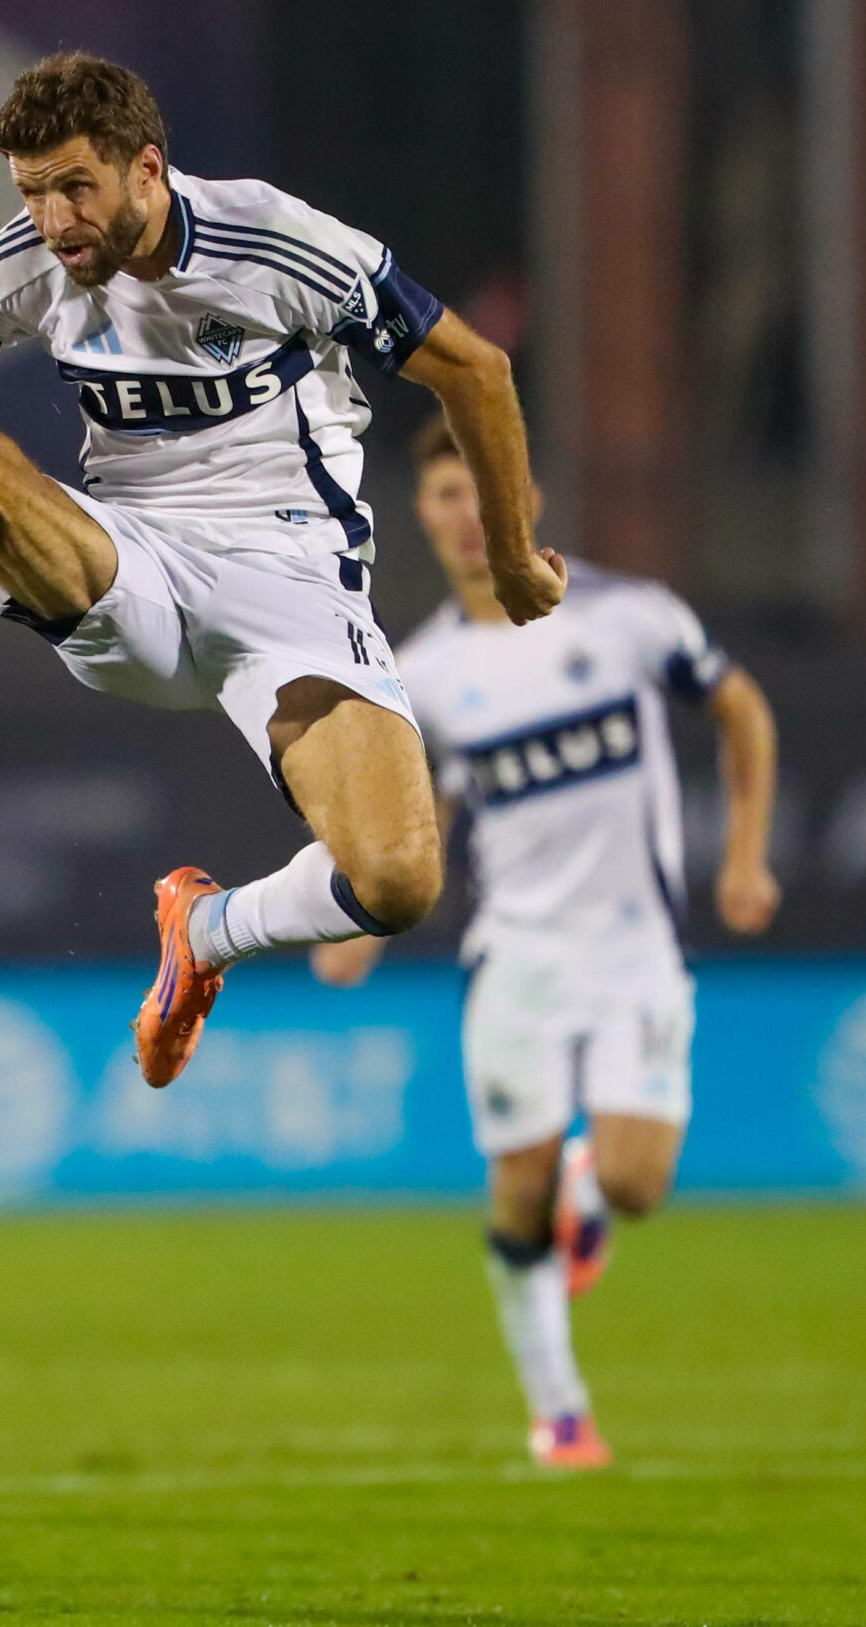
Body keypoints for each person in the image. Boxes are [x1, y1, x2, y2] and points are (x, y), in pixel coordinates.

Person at [0, 50, 567, 1087]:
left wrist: (507, 558)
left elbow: (474, 367)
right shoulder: (28, 260)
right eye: (32, 194)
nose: (54, 221)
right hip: (126, 563)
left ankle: (206, 930)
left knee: (399, 881)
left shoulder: (273, 238)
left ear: (146, 169)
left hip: (293, 585)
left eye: (73, 187)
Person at [312, 421, 780, 1468]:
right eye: (443, 494)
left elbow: (740, 711)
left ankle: (588, 1189)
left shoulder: (626, 618)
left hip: (634, 952)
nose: (467, 513)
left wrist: (742, 856)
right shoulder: (420, 676)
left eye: (482, 487)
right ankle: (558, 1411)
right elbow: (401, 827)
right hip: (516, 956)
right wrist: (356, 928)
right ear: (424, 516)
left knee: (635, 1186)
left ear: (520, 496)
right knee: (512, 1187)